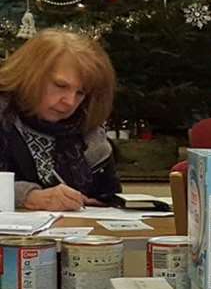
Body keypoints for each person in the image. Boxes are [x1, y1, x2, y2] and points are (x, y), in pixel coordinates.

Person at [0, 29, 121, 211]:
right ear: (29, 74)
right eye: (60, 85)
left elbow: (110, 196)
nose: (69, 102)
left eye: (80, 93)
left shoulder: (89, 134)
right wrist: (26, 196)